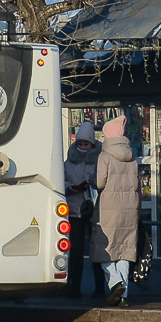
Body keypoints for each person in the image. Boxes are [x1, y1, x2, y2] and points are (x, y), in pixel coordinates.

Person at [91, 115, 140, 307]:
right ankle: (123, 295)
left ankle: (115, 282)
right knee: (125, 251)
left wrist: (90, 179)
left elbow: (99, 183)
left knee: (104, 249)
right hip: (129, 210)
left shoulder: (104, 156)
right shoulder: (132, 157)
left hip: (108, 209)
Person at [63, 122, 105, 298]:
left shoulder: (101, 160)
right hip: (75, 209)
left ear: (92, 144)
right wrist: (71, 187)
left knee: (97, 250)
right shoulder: (68, 163)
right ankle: (74, 287)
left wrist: (92, 185)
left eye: (86, 144)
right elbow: (61, 181)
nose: (83, 147)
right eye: (80, 144)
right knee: (76, 250)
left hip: (95, 209)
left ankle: (99, 287)